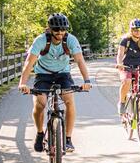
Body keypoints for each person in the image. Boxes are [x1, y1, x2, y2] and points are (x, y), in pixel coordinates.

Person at [17, 13, 93, 153]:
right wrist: (23, 83)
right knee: (40, 103)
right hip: (43, 74)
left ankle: (68, 139)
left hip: (62, 74)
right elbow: (29, 63)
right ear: (50, 29)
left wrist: (86, 81)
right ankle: (40, 133)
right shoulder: (40, 40)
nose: (60, 33)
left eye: (63, 30)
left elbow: (80, 60)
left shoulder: (70, 40)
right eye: (57, 30)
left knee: (69, 100)